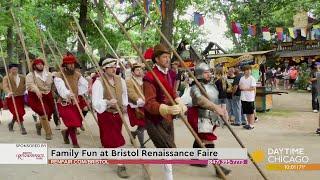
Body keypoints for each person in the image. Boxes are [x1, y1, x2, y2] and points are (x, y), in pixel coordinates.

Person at [143, 44, 187, 180]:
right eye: (164, 57)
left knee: (166, 151)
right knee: (169, 148)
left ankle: (149, 165)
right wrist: (166, 108)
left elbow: (172, 92)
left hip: (167, 119)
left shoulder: (171, 74)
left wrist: (179, 101)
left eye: (168, 57)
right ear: (156, 59)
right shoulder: (149, 77)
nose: (167, 60)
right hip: (154, 119)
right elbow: (149, 103)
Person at [187, 62, 231, 178]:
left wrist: (222, 109)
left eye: (209, 72)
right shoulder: (195, 87)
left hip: (210, 114)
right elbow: (201, 100)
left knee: (201, 137)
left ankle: (196, 159)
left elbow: (216, 99)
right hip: (198, 114)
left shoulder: (212, 85)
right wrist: (216, 108)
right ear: (200, 74)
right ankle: (218, 168)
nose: (209, 74)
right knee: (208, 139)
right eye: (206, 72)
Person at [92, 57, 129, 178]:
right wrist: (107, 102)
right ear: (104, 68)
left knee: (113, 137)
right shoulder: (99, 82)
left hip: (118, 114)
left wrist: (124, 105)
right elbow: (96, 102)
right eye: (111, 67)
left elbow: (124, 93)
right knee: (117, 139)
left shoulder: (120, 80)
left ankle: (107, 150)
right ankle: (121, 164)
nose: (114, 69)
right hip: (106, 114)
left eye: (115, 67)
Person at [54, 54, 88, 148]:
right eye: (69, 64)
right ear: (65, 65)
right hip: (64, 103)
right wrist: (68, 93)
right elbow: (61, 89)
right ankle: (75, 142)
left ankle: (66, 133)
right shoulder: (59, 76)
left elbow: (84, 85)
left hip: (75, 102)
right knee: (73, 123)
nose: (72, 66)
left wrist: (78, 93)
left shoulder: (77, 74)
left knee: (74, 123)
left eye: (73, 64)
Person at [26, 58, 55, 140]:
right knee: (43, 112)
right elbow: (30, 85)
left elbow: (52, 85)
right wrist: (37, 90)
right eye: (38, 64)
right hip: (36, 97)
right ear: (35, 66)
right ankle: (48, 133)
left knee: (49, 113)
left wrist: (54, 93)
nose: (40, 65)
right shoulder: (30, 75)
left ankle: (39, 125)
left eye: (41, 64)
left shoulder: (49, 74)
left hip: (48, 96)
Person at [3, 63, 27, 134]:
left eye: (16, 69)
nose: (15, 70)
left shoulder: (22, 77)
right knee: (17, 112)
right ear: (9, 70)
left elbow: (26, 85)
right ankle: (22, 127)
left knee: (20, 112)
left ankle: (11, 123)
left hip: (20, 97)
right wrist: (9, 92)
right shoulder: (6, 77)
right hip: (11, 97)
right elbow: (5, 86)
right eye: (13, 69)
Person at [126, 63, 146, 148]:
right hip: (135, 106)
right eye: (137, 70)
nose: (140, 71)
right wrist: (138, 99)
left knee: (147, 125)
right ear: (133, 72)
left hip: (145, 105)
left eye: (141, 69)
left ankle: (134, 133)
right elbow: (131, 92)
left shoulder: (145, 80)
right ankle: (142, 145)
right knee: (142, 125)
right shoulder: (129, 81)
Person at [239, 65, 257, 130]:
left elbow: (253, 88)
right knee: (246, 111)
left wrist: (245, 88)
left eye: (250, 70)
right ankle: (248, 123)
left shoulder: (252, 78)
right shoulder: (242, 78)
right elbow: (240, 87)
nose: (249, 71)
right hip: (243, 97)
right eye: (247, 70)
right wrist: (244, 88)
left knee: (251, 112)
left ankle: (252, 125)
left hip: (250, 98)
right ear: (244, 71)